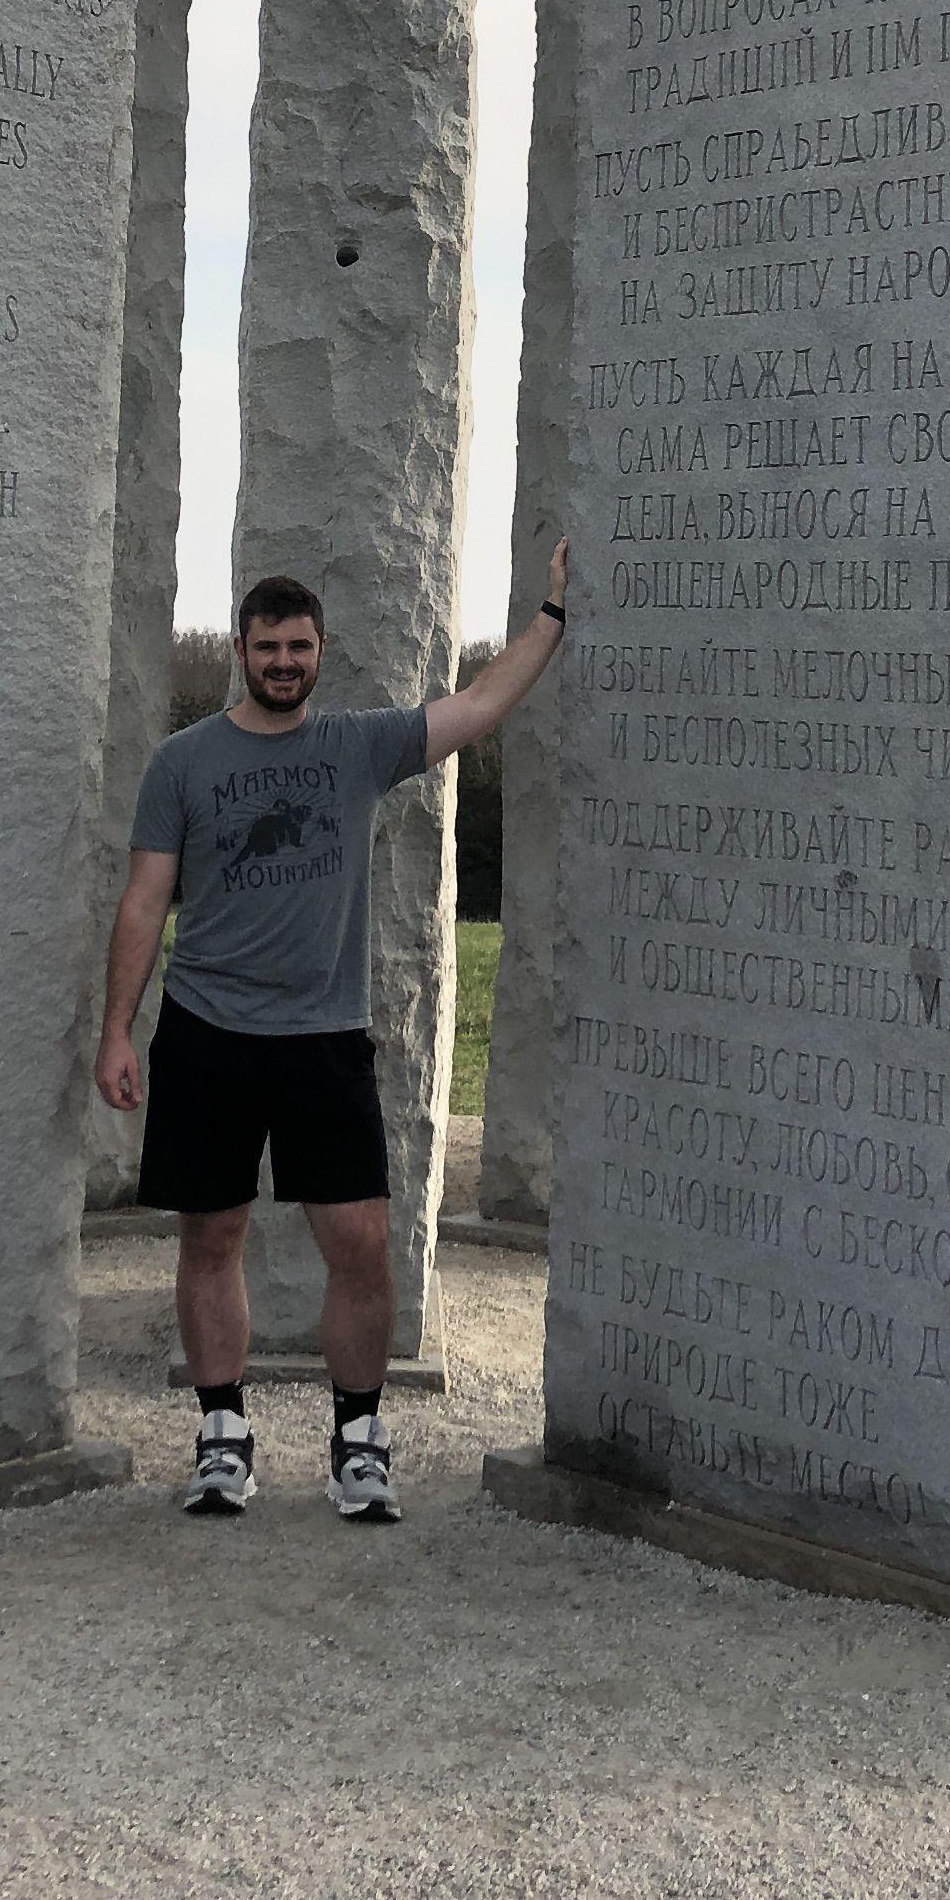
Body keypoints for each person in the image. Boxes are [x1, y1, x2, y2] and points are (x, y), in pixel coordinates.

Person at [94, 543, 571, 1524]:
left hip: (324, 1036)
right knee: (211, 1233)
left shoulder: (357, 746)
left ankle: (359, 1441)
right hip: (206, 1029)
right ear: (239, 649)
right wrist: (117, 1030)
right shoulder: (182, 763)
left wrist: (553, 617)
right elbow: (144, 903)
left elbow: (480, 706)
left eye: (298, 646)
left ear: (320, 651)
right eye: (266, 645)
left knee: (359, 1243)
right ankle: (222, 1437)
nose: (282, 660)